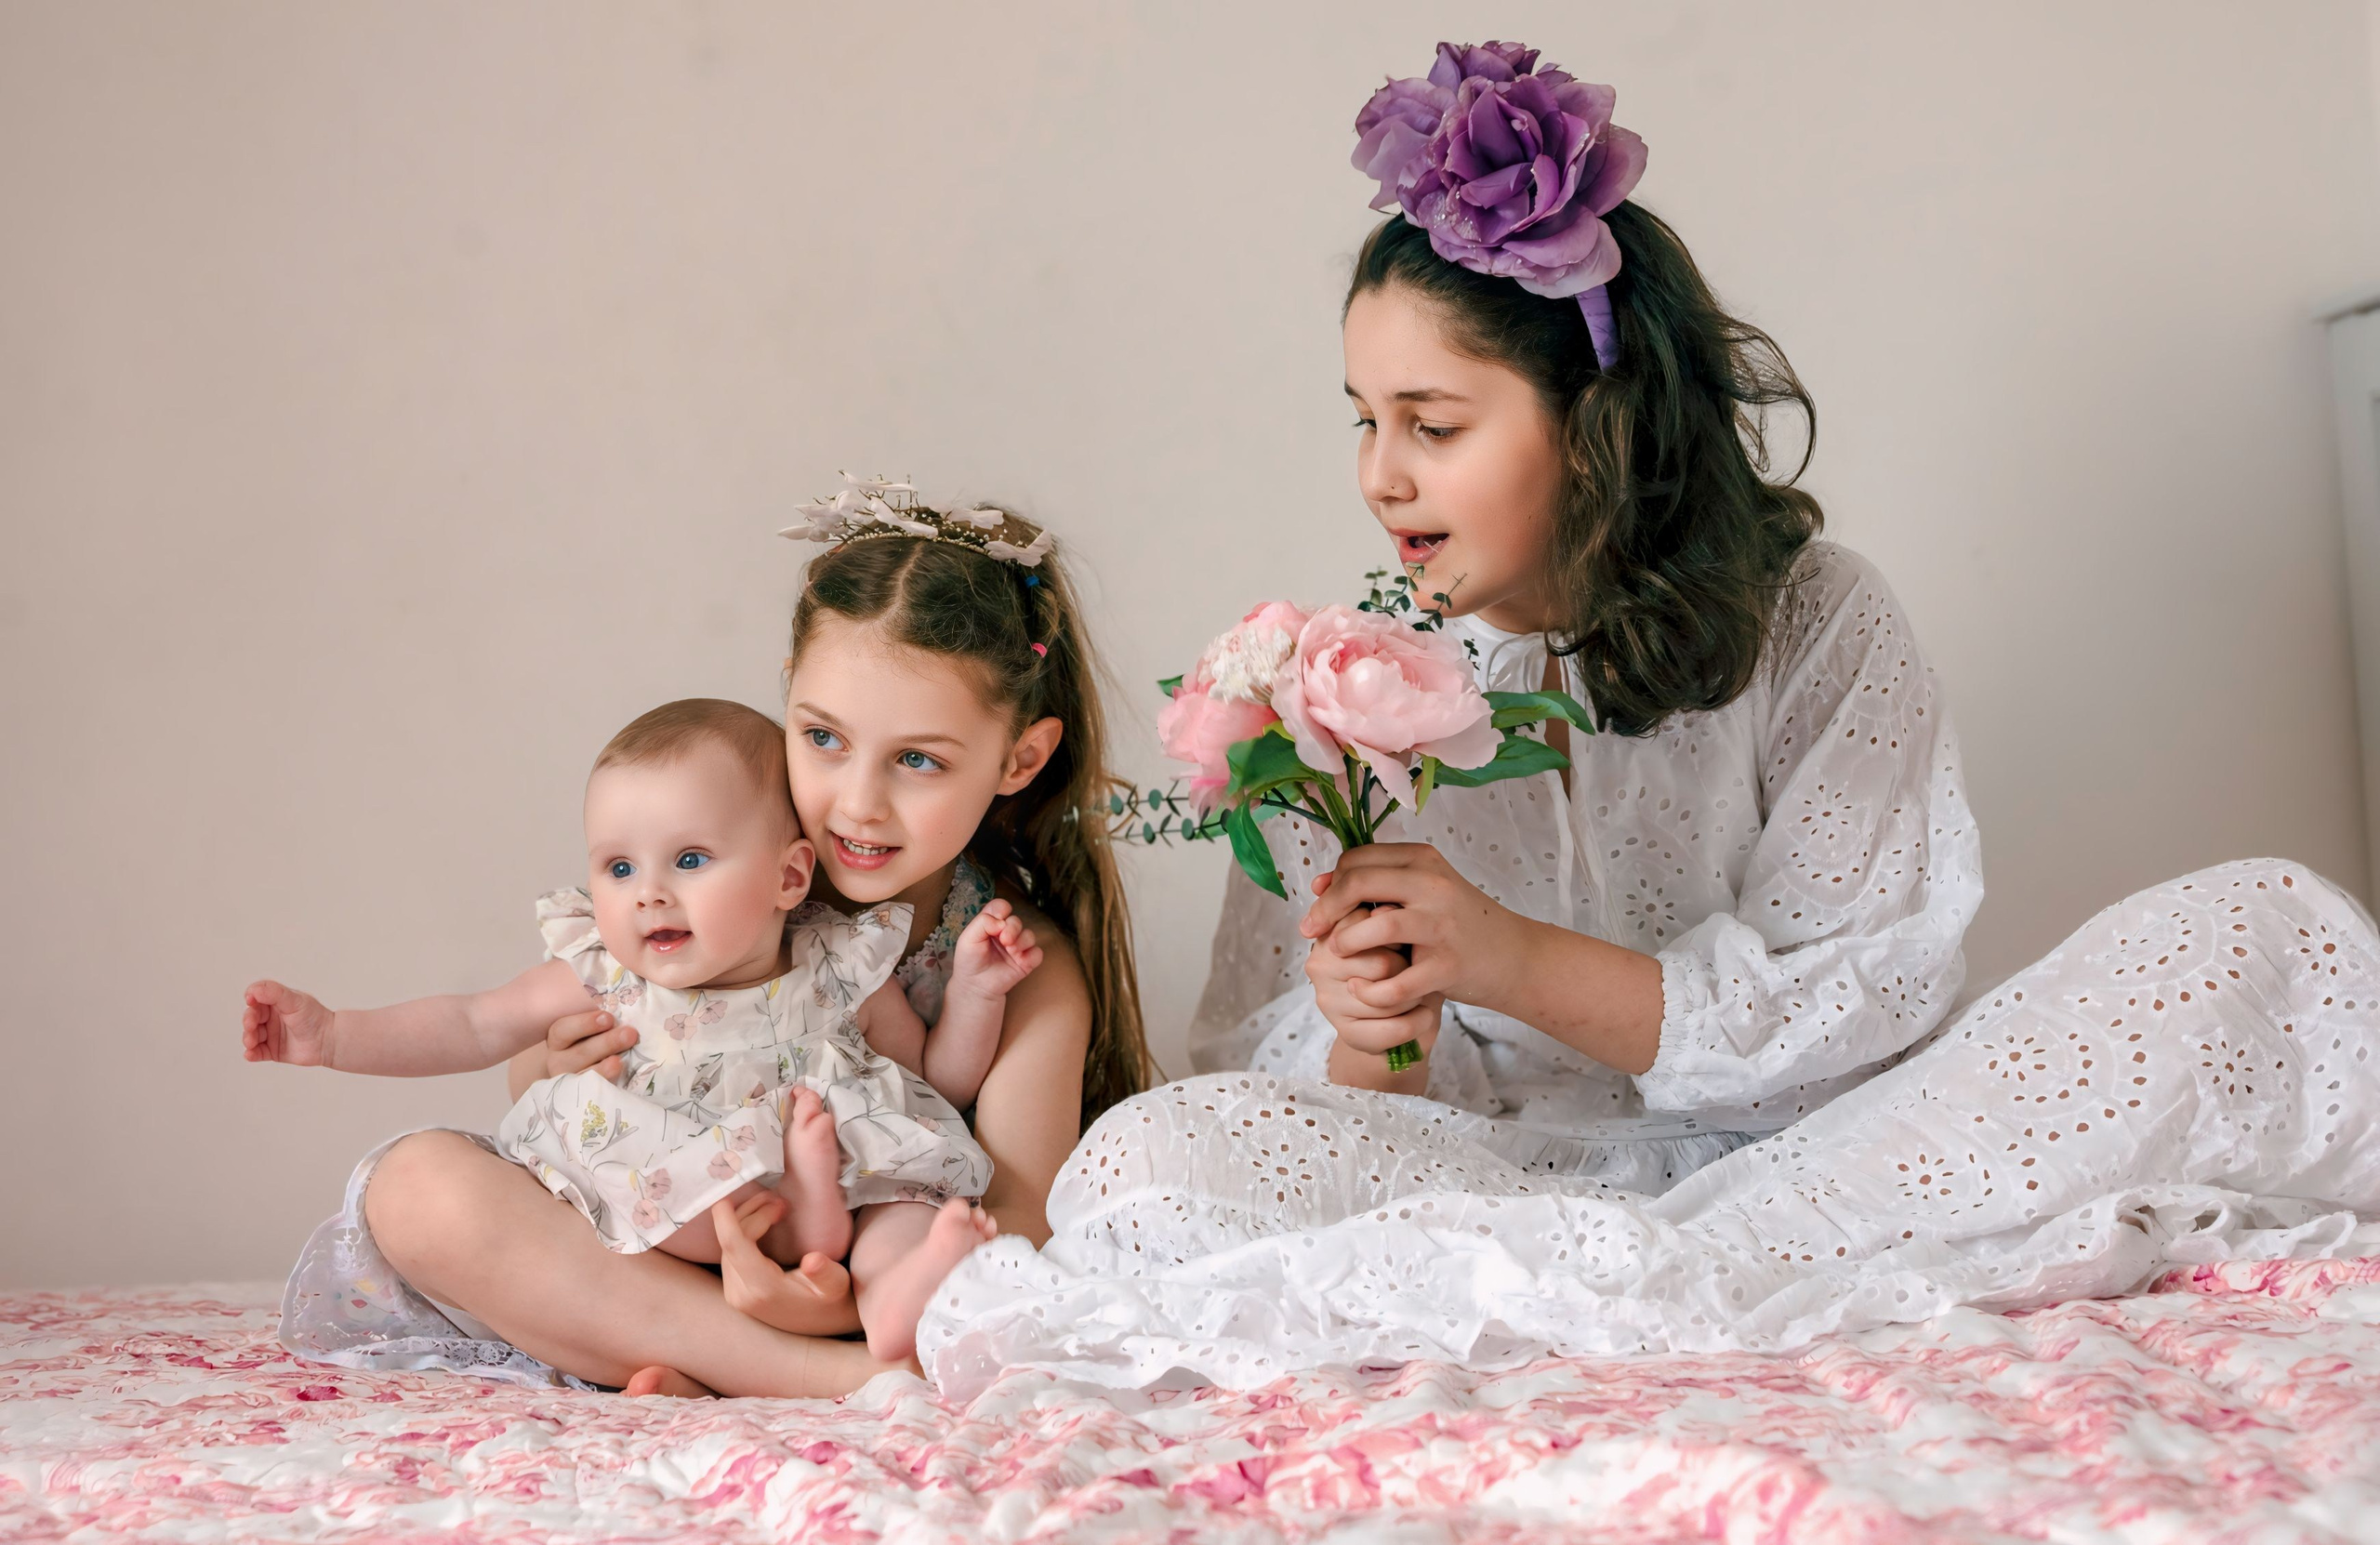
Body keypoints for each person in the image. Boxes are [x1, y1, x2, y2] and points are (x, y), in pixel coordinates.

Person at [916, 41, 2380, 1398]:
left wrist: (1511, 957)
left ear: (1593, 421)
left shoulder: (1819, 618)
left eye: (1434, 424)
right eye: (1365, 418)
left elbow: (1860, 1006)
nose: (1381, 475)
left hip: (1830, 1156)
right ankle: (1663, 1271)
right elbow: (1276, 1075)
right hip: (1495, 1184)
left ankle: (1674, 1265)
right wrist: (1375, 1030)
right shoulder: (1336, 693)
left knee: (2260, 934)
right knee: (1143, 1160)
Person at [281, 488, 1150, 1395]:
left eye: (918, 760)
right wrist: (552, 1066)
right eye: (823, 737)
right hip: (650, 1247)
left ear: (1019, 759)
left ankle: (769, 1362)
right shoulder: (710, 874)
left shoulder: (1019, 966)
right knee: (415, 1186)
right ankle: (798, 1371)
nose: (858, 804)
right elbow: (540, 1057)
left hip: (853, 1274)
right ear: (788, 691)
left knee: (935, 1255)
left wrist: (809, 1295)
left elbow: (1014, 1223)